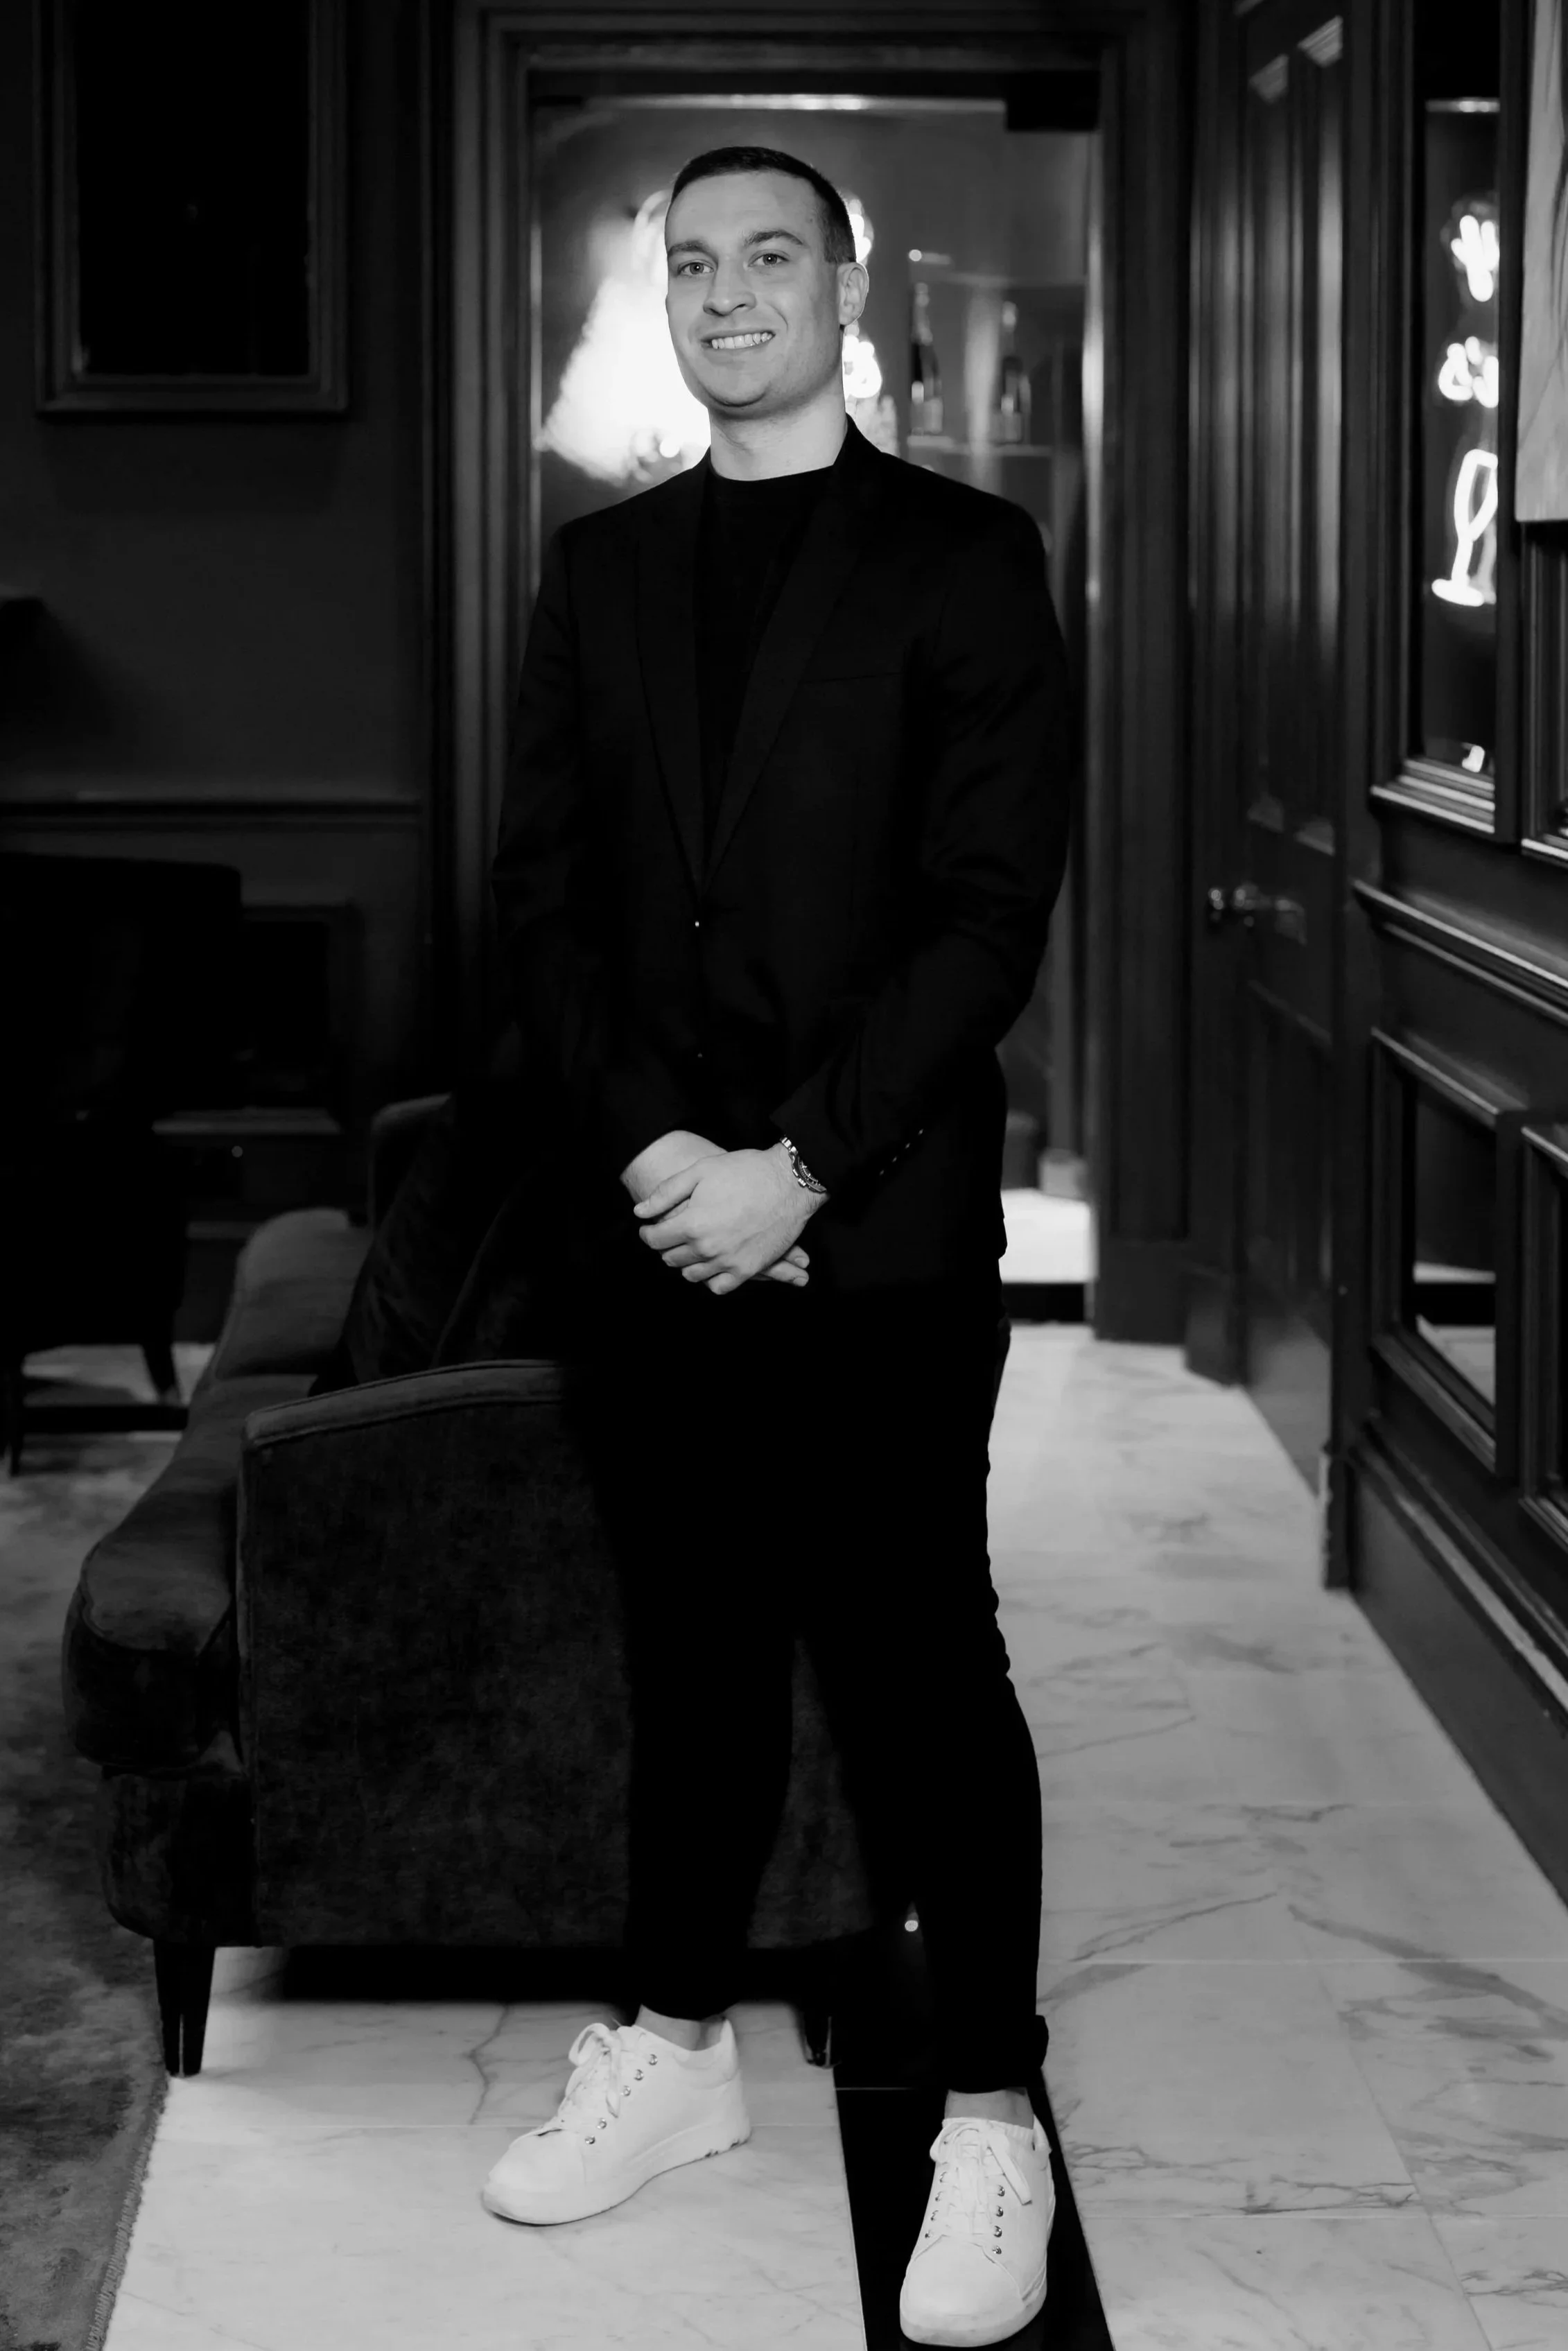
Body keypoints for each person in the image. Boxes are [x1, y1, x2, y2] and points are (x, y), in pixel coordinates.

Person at [482, 141, 1074, 2349]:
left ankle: (993, 2107)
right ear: (669, 304)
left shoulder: (964, 558)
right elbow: (541, 905)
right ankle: (671, 2045)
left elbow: (983, 917)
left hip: (877, 1227)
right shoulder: (598, 569)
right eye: (694, 264)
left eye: (770, 259)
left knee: (926, 1665)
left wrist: (792, 1173)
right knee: (702, 1653)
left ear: (848, 293)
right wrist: (659, 1155)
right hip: (651, 1229)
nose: (729, 292)